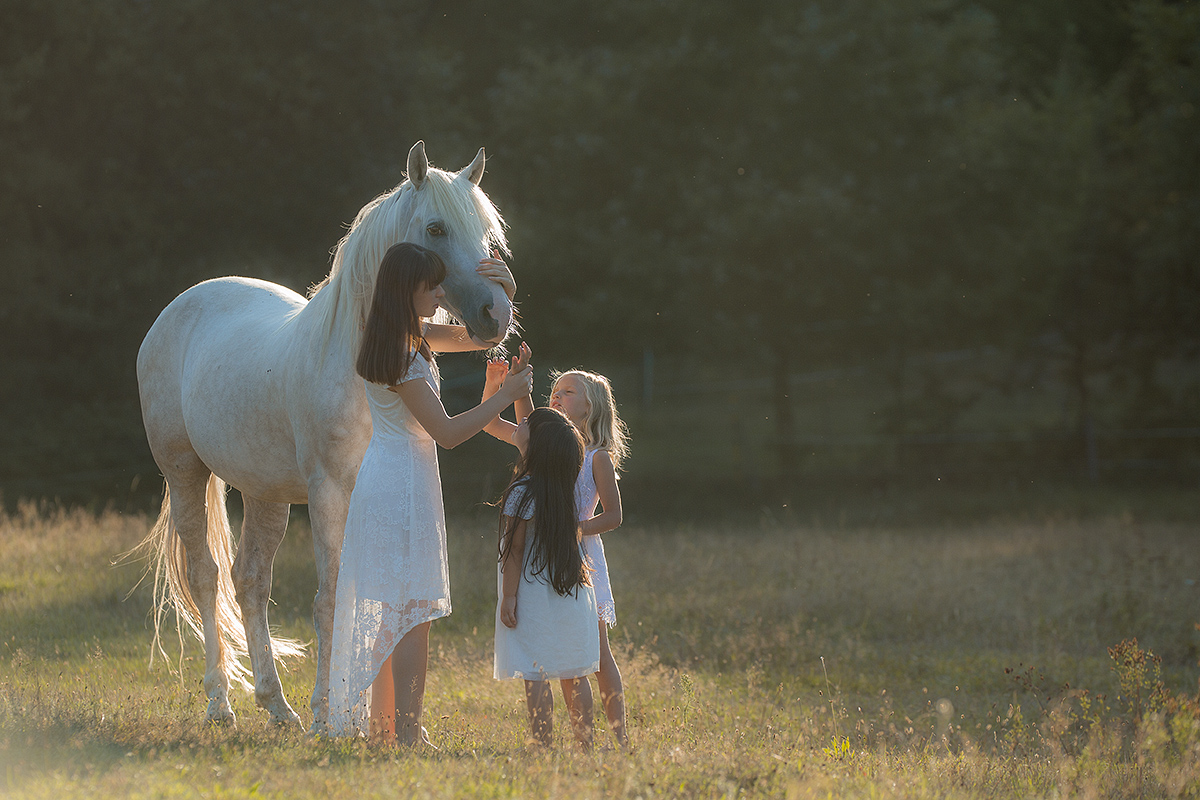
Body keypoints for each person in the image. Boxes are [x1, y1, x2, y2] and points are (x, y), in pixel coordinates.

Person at [326, 241, 533, 746]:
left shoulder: (406, 334)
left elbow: (484, 335)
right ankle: (408, 734)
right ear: (408, 291)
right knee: (411, 615)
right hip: (401, 485)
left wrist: (505, 290)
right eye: (433, 286)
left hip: (396, 478)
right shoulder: (401, 351)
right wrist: (504, 397)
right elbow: (446, 432)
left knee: (394, 612)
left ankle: (384, 732)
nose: (442, 294)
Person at [482, 364, 630, 747]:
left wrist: (574, 529)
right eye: (555, 390)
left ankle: (619, 737)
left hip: (578, 556)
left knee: (593, 655)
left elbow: (612, 515)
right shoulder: (548, 446)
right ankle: (581, 742)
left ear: (590, 409)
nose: (557, 396)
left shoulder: (592, 456)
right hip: (548, 557)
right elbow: (510, 423)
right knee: (572, 659)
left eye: (568, 392)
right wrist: (513, 385)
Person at [494, 407, 600, 748]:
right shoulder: (563, 489)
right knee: (575, 670)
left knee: (535, 669)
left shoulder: (522, 492)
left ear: (536, 444)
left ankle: (543, 745)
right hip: (571, 590)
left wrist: (508, 597)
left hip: (533, 594)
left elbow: (514, 551)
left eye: (526, 423)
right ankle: (586, 745)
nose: (519, 423)